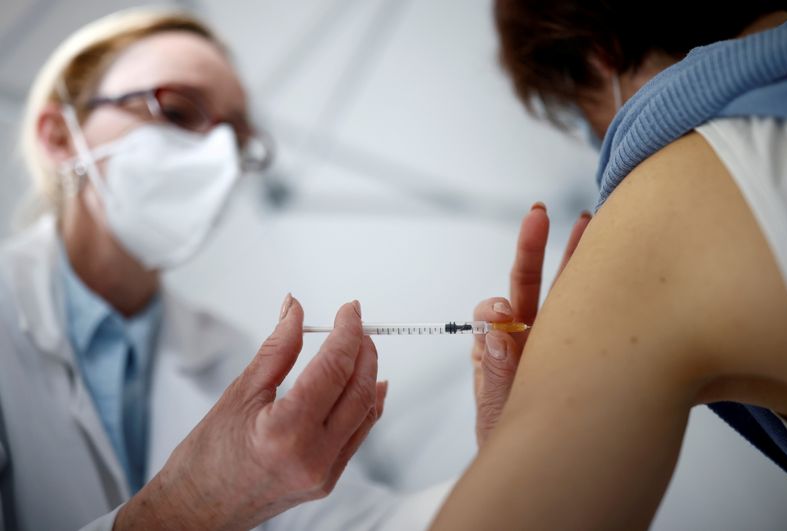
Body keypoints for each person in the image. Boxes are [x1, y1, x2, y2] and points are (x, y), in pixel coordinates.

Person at [0, 8, 561, 530]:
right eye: (175, 110)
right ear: (57, 137)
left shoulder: (226, 357)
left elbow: (362, 524)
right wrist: (187, 507)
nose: (218, 158)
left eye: (238, 139)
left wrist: (506, 456)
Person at [430, 1, 787, 529]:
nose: (600, 144)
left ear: (600, 55)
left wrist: (513, 447)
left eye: (586, 119)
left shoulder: (651, 222)